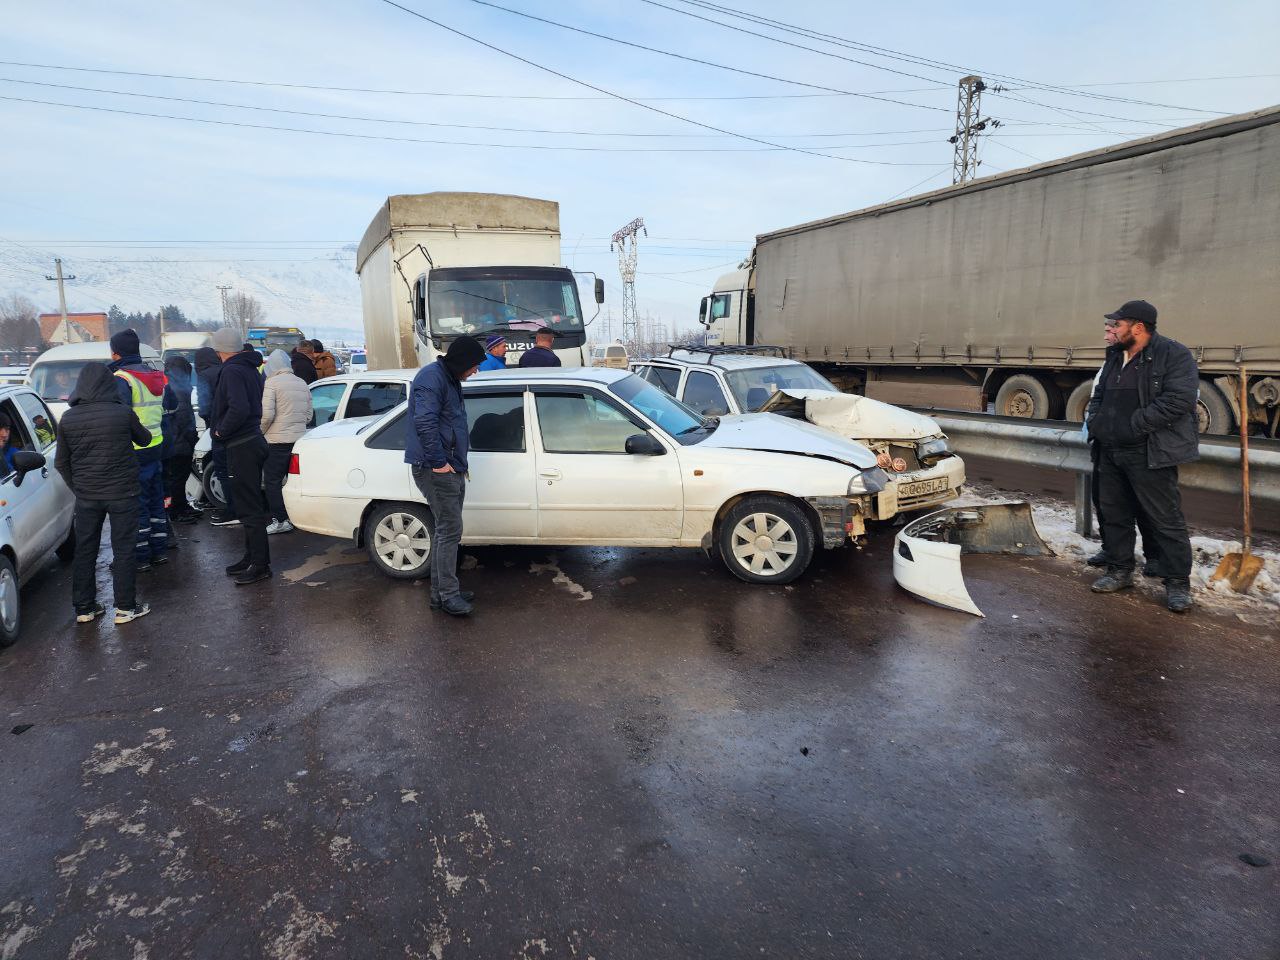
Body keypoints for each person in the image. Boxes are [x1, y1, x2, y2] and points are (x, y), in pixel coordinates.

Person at [1085, 300, 1198, 613]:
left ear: (1138, 327)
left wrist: (1132, 426)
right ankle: (1119, 571)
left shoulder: (1174, 355)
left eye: (1117, 324)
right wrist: (1097, 421)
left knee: (1165, 520)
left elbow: (1179, 400)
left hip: (1148, 450)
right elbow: (1099, 395)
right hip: (1109, 449)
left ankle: (1177, 583)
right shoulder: (1114, 355)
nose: (1112, 330)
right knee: (1114, 514)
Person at [54, 362, 152, 625]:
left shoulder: (68, 418)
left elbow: (61, 462)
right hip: (123, 493)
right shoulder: (121, 413)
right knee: (124, 549)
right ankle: (125, 608)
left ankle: (84, 608)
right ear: (108, 384)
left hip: (87, 496)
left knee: (85, 550)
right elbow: (144, 439)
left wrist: (79, 487)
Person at [406, 336, 486, 616]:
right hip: (435, 468)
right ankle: (447, 596)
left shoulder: (448, 378)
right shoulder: (432, 378)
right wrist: (439, 462)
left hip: (451, 466)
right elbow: (424, 421)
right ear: (462, 362)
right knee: (449, 531)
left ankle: (442, 593)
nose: (476, 371)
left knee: (448, 531)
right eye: (474, 365)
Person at [209, 328, 272, 585]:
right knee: (250, 504)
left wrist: (220, 430)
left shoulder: (233, 370)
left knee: (249, 507)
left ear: (220, 350)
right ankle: (251, 557)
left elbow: (239, 407)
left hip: (242, 444)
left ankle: (260, 564)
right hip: (252, 440)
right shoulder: (249, 368)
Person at [107, 329, 170, 571]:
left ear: (116, 353)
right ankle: (159, 550)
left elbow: (120, 416)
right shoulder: (155, 375)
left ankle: (141, 556)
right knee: (155, 500)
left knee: (137, 505)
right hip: (156, 444)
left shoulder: (123, 379)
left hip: (134, 449)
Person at [260, 348, 313, 534]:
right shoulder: (301, 383)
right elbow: (309, 415)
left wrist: (261, 432)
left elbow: (266, 415)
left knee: (273, 481)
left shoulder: (271, 384)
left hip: (276, 441)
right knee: (295, 481)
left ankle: (281, 520)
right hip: (299, 440)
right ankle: (300, 517)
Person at [195, 346, 236, 521]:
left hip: (218, 428)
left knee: (222, 470)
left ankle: (231, 510)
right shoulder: (226, 370)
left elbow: (204, 407)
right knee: (236, 471)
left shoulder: (204, 376)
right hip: (235, 428)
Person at [161, 355, 200, 524]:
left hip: (173, 441)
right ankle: (176, 510)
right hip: (179, 442)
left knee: (177, 478)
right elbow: (184, 419)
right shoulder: (179, 389)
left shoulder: (170, 385)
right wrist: (192, 438)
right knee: (177, 478)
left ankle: (181, 506)